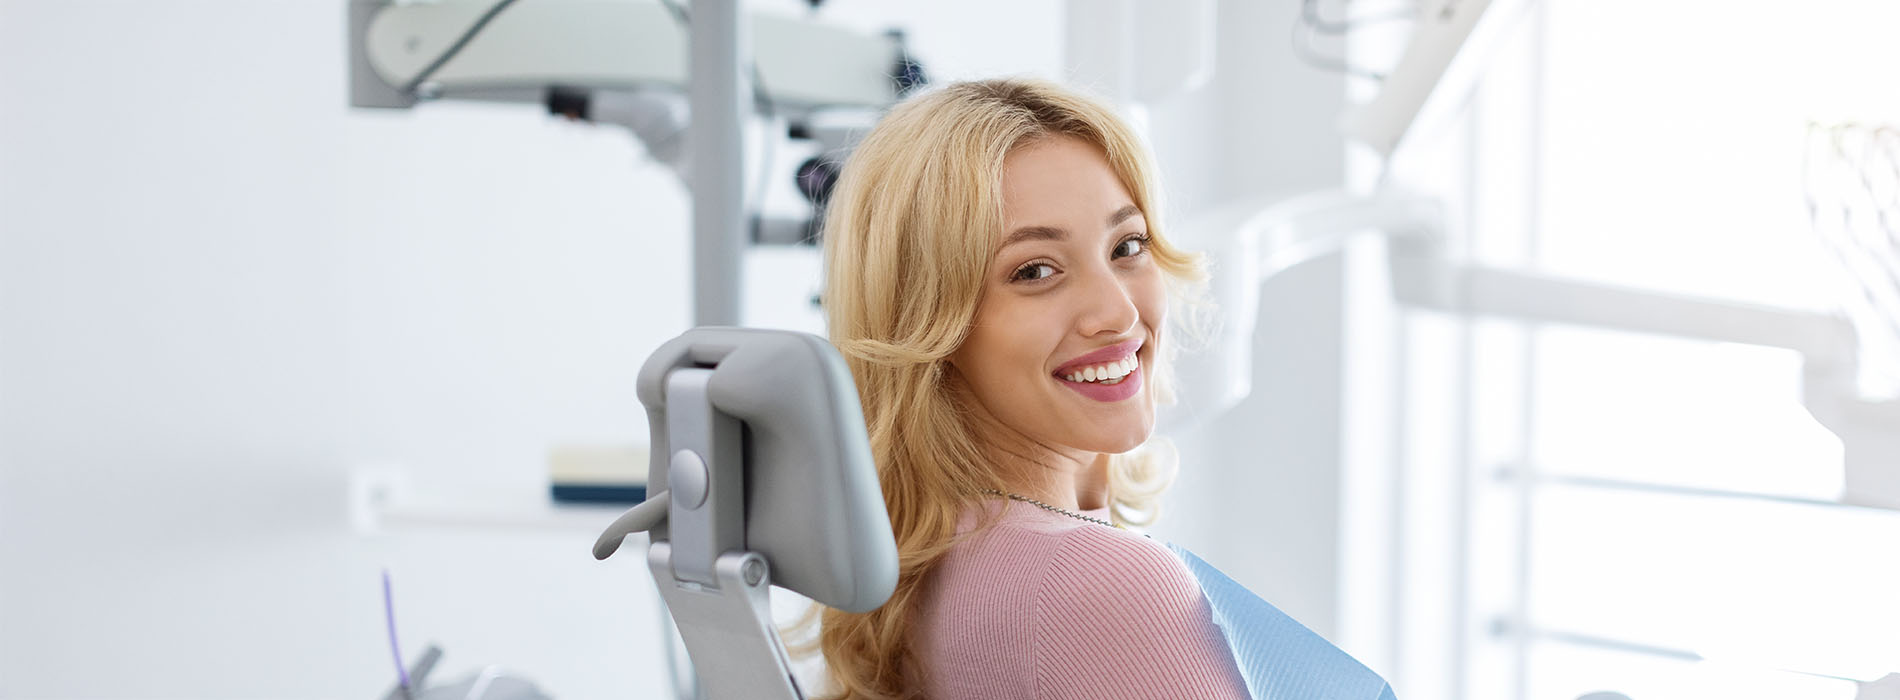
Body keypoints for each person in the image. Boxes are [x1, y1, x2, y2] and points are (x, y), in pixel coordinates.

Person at [815, 78, 1249, 700]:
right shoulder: (1103, 585)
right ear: (932, 325)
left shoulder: (919, 561)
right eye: (1036, 271)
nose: (1118, 313)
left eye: (1127, 246)